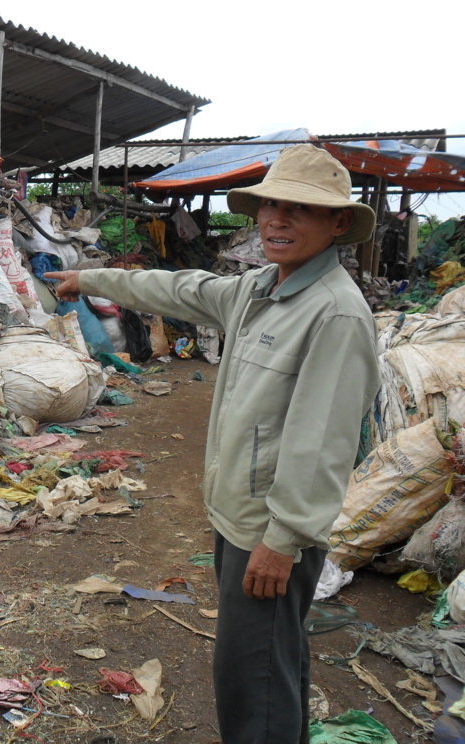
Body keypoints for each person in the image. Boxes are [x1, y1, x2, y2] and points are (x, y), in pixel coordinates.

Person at [47, 144, 381, 744]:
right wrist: (91, 278)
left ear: (337, 224)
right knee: (270, 664)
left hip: (270, 531)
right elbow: (178, 289)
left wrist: (282, 541)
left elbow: (322, 444)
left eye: (299, 209)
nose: (278, 220)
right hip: (239, 516)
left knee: (252, 683)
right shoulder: (258, 289)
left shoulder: (335, 315)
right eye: (270, 205)